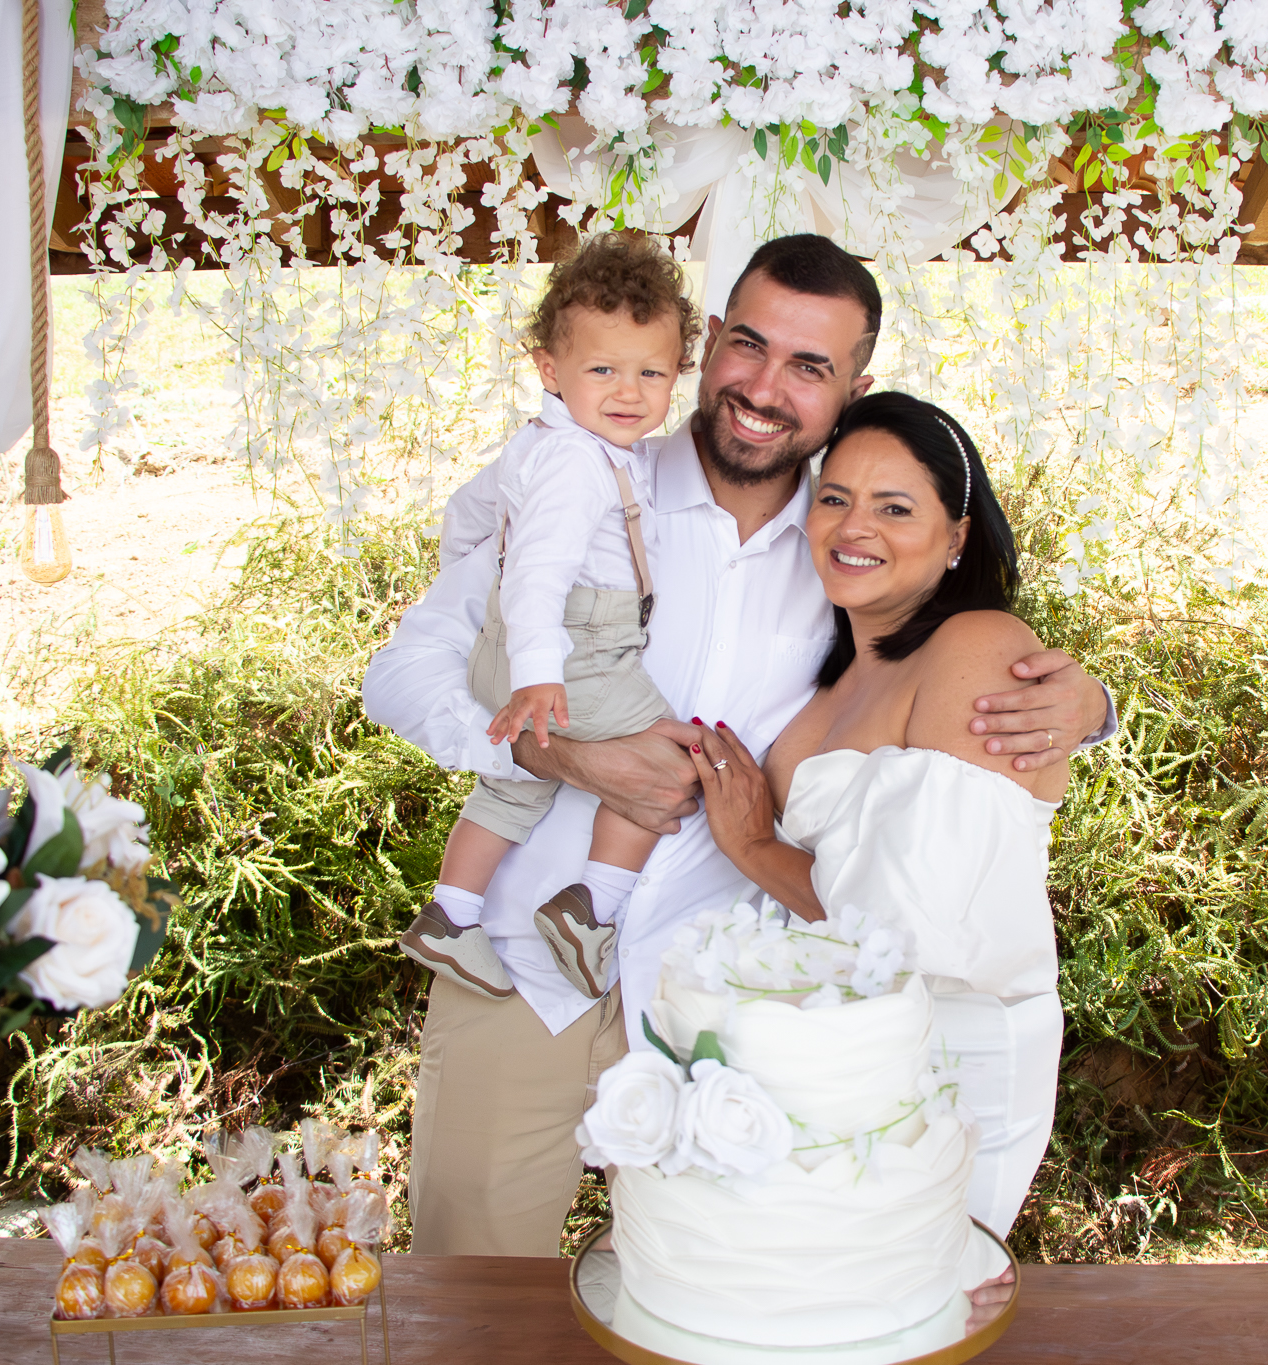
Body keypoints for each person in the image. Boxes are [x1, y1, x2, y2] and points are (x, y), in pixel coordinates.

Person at [362, 233, 1112, 1258]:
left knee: (709, 1299)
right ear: (706, 343)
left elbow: (941, 680)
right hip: (523, 956)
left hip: (729, 998)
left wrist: (1089, 706)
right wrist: (558, 757)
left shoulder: (845, 540)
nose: (765, 386)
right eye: (748, 345)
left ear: (854, 385)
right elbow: (402, 676)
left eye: (809, 366)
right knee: (473, 1285)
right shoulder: (580, 480)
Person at [684, 390, 1064, 1241]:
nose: (855, 528)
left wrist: (750, 844)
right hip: (832, 1039)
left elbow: (904, 922)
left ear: (958, 534)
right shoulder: (836, 672)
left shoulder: (976, 647)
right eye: (835, 498)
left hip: (946, 1045)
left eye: (895, 507)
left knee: (905, 1300)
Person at [395, 234, 698, 1003]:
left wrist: (481, 593)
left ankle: (453, 913)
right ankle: (591, 909)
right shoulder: (575, 462)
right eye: (603, 369)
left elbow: (467, 513)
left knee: (514, 787)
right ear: (549, 369)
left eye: (651, 372)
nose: (628, 391)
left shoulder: (547, 444)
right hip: (569, 650)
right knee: (672, 759)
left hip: (517, 643)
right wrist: (536, 673)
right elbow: (538, 575)